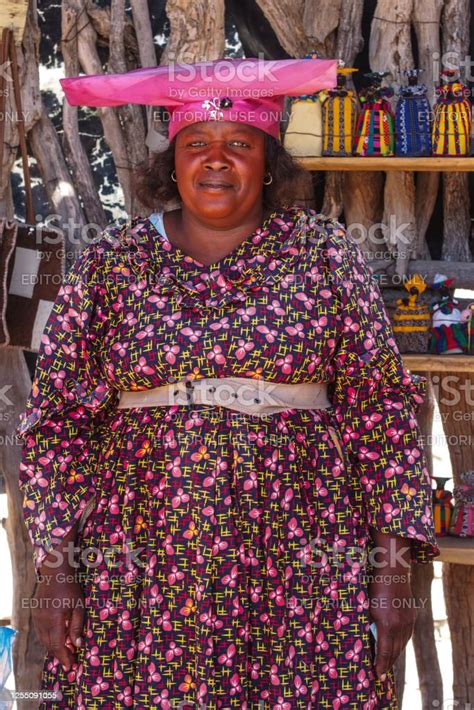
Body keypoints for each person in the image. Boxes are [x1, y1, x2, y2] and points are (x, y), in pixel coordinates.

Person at [16, 58, 439, 709]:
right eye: (197, 145)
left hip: (304, 561)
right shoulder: (112, 265)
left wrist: (392, 572)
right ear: (173, 162)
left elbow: (381, 415)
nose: (217, 161)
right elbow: (60, 426)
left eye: (237, 145)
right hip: (141, 565)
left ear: (267, 161)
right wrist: (55, 568)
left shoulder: (322, 255)